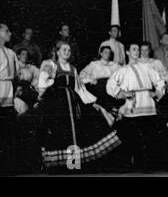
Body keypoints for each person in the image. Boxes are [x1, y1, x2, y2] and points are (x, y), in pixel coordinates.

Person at [37, 41, 121, 171]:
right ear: (57, 51)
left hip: (72, 102)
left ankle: (73, 164)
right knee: (59, 132)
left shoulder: (73, 68)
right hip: (57, 103)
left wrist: (92, 102)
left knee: (74, 132)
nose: (67, 52)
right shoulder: (51, 65)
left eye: (69, 50)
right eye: (64, 49)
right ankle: (60, 166)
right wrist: (55, 82)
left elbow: (79, 89)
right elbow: (42, 81)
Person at [106, 42, 165, 171]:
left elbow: (160, 81)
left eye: (138, 49)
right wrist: (121, 94)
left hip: (148, 104)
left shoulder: (147, 67)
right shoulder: (122, 70)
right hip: (132, 105)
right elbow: (110, 85)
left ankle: (147, 165)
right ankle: (136, 164)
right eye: (133, 49)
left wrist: (157, 92)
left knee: (148, 135)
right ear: (127, 52)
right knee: (133, 136)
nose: (137, 51)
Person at [79, 46, 122, 113]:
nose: (107, 54)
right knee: (102, 87)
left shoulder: (114, 65)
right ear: (101, 53)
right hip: (98, 85)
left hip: (111, 84)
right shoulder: (94, 64)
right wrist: (90, 80)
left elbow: (124, 72)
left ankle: (112, 109)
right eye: (105, 52)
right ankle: (109, 109)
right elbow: (82, 74)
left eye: (109, 53)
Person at [0, 24, 19, 173]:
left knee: (7, 129)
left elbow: (17, 73)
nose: (10, 33)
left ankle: (7, 165)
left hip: (8, 92)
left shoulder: (11, 53)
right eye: (6, 31)